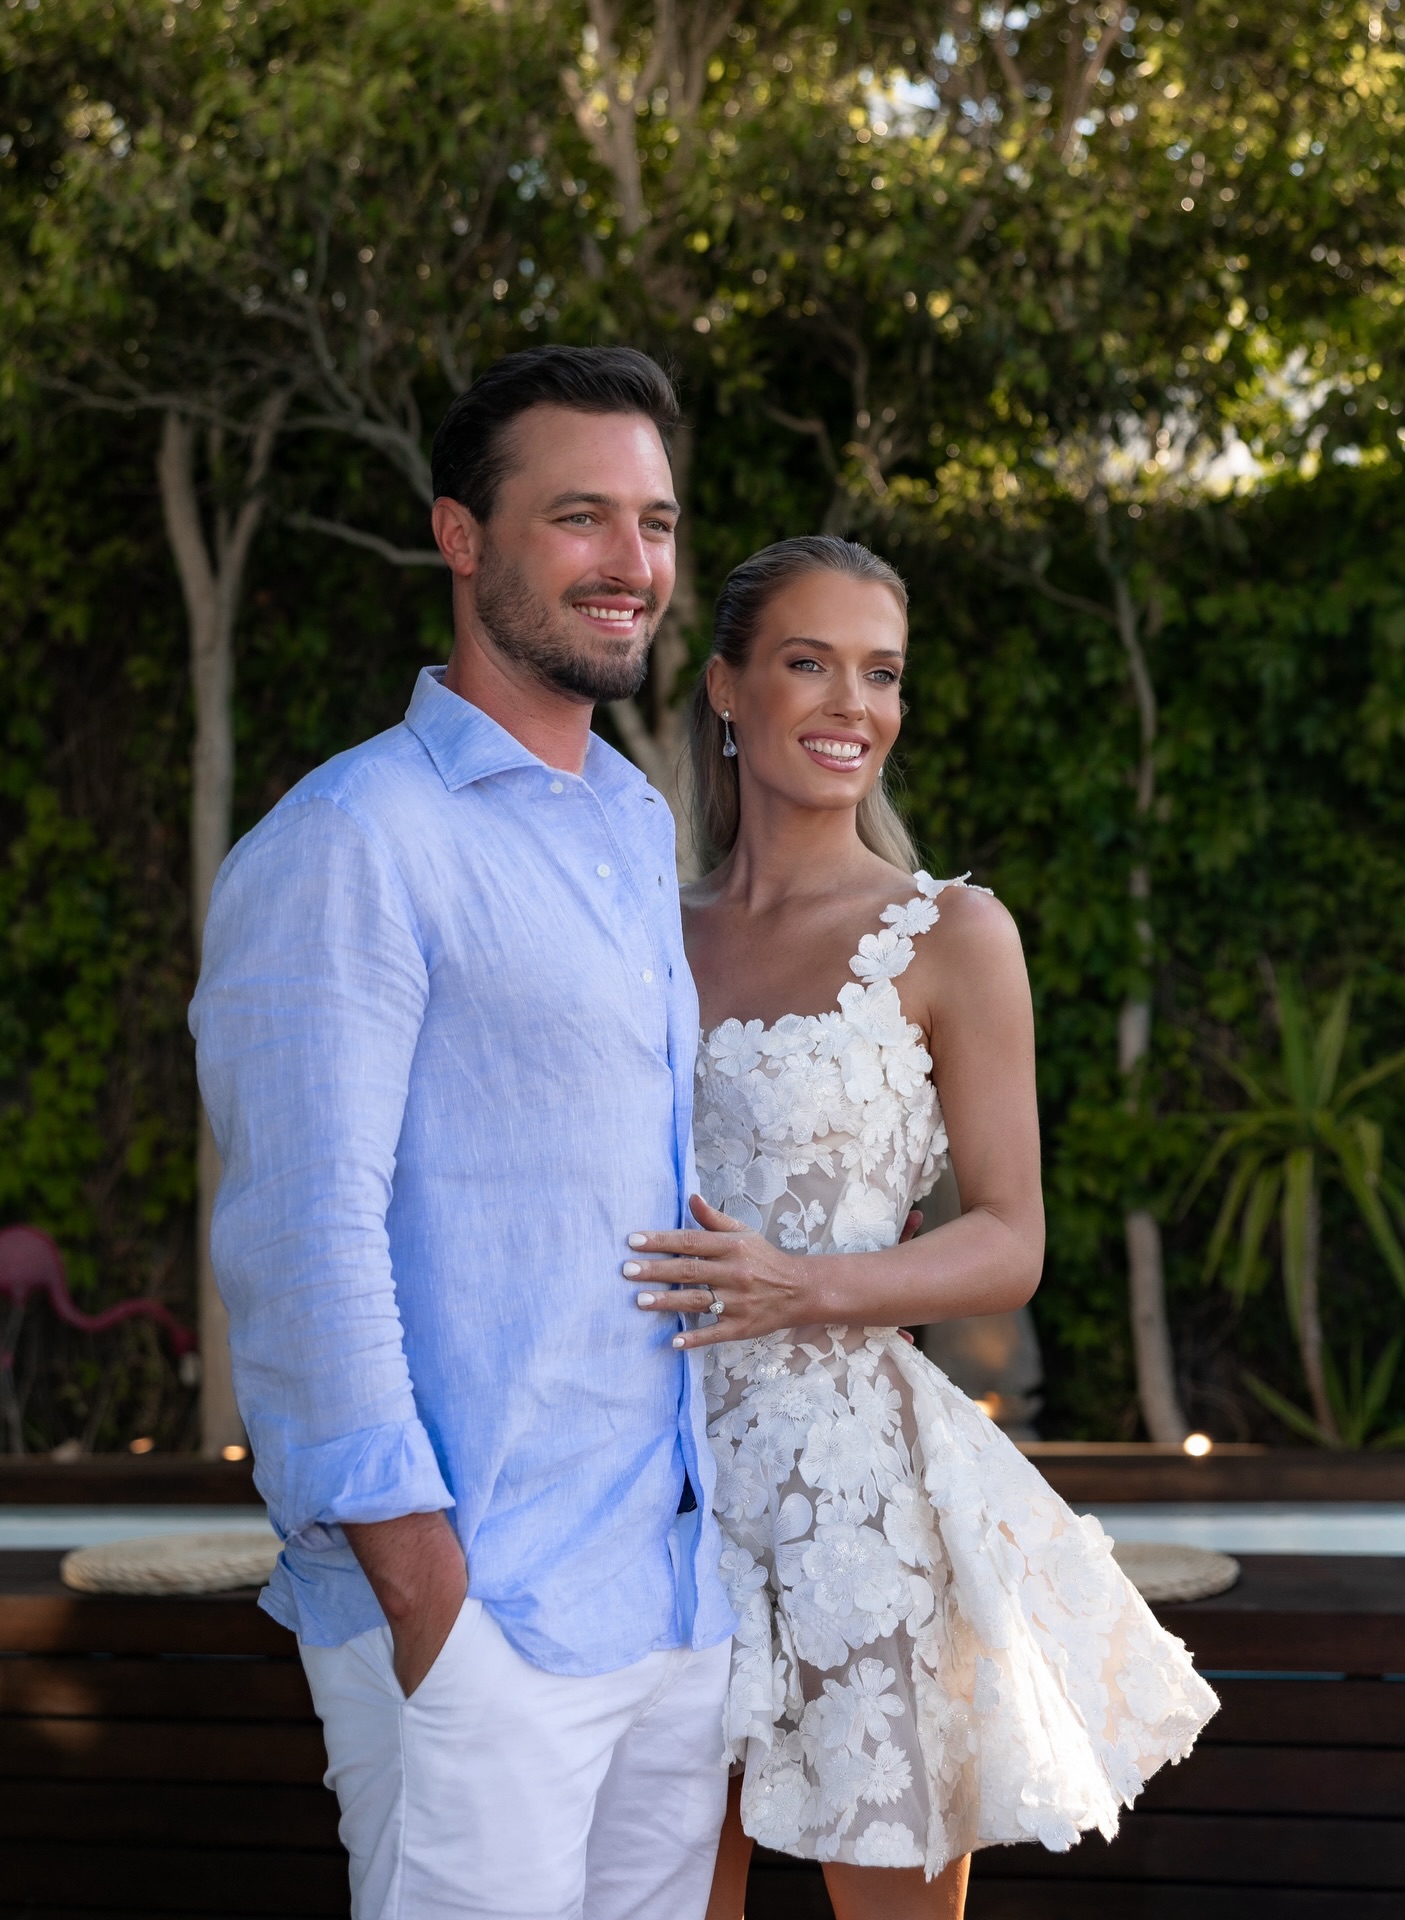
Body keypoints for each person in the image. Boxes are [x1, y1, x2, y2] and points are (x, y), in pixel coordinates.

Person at [189, 346, 736, 1920]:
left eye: (656, 521)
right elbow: (301, 1246)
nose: (632, 564)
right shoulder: (352, 842)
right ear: (460, 536)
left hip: (665, 1602)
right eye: (580, 516)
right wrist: (431, 1601)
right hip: (478, 1614)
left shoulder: (636, 825)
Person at [622, 537, 1220, 1920]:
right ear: (724, 687)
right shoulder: (643, 928)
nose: (853, 705)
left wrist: (807, 1282)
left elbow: (1011, 1242)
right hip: (651, 1498)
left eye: (880, 672)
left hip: (858, 1512)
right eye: (807, 662)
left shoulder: (951, 933)